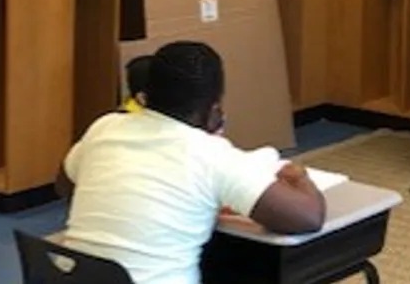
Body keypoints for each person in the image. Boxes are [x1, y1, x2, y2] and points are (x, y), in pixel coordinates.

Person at [58, 41, 326, 284]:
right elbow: (307, 217)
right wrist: (300, 177)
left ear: (145, 97)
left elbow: (65, 184)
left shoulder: (105, 127)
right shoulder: (212, 154)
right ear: (214, 111)